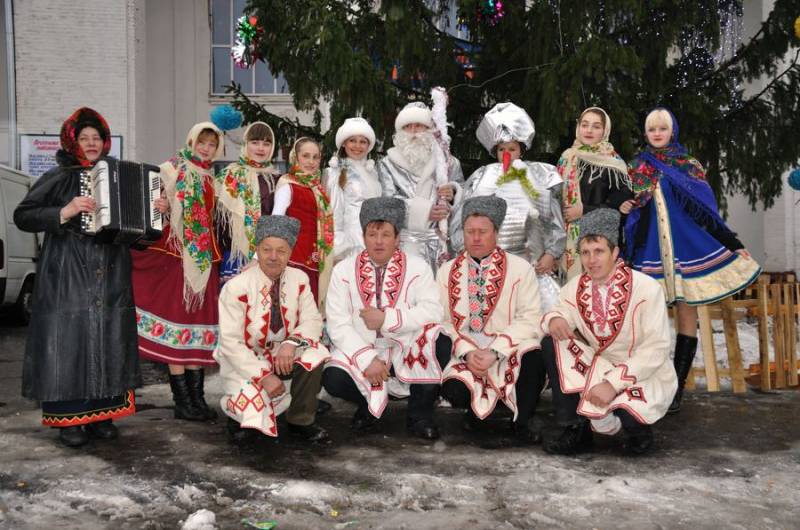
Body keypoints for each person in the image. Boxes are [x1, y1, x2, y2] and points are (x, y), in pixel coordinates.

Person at [14, 107, 140, 447]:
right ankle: (69, 420)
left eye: (96, 138)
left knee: (109, 340)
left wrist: (155, 214)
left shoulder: (119, 176)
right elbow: (23, 215)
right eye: (84, 138)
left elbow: (137, 233)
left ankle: (103, 415)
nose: (91, 143)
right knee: (68, 344)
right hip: (67, 273)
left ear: (105, 142)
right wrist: (65, 211)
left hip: (111, 274)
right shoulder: (59, 176)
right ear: (73, 142)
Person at [621, 108, 761, 413]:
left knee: (687, 314)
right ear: (645, 134)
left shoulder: (689, 166)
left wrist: (734, 245)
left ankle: (677, 388)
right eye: (652, 129)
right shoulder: (636, 167)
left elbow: (707, 214)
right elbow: (626, 210)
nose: (657, 133)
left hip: (686, 250)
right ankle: (649, 384)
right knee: (647, 319)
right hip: (649, 252)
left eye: (662, 128)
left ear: (673, 131)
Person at [540, 208, 677, 455]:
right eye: (585, 252)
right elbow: (558, 311)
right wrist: (555, 319)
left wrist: (613, 384)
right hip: (600, 366)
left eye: (599, 251)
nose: (591, 260)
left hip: (642, 371)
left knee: (629, 415)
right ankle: (575, 428)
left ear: (615, 253)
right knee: (553, 342)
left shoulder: (646, 288)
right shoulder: (575, 287)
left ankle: (637, 432)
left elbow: (656, 348)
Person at [323, 197, 447, 440]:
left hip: (405, 346)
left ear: (397, 238)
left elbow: (433, 311)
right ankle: (368, 407)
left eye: (386, 234)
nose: (378, 241)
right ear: (363, 236)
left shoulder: (418, 267)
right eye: (372, 234)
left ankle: (419, 415)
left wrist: (387, 319)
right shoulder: (343, 270)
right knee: (332, 378)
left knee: (439, 341)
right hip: (362, 347)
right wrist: (367, 359)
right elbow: (338, 323)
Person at [131, 121, 224, 422]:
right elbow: (149, 205)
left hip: (202, 260)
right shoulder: (171, 169)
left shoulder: (211, 178)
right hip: (174, 259)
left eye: (212, 144)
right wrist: (160, 205)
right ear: (191, 141)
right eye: (202, 142)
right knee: (177, 326)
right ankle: (183, 401)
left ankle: (197, 399)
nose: (206, 148)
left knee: (196, 329)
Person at [438, 196, 546, 445]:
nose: (476, 238)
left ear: (496, 233)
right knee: (441, 357)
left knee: (534, 354)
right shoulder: (447, 271)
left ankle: (523, 420)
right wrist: (466, 351)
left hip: (508, 348)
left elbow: (530, 317)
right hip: (466, 350)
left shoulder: (521, 269)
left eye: (483, 232)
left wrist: (496, 351)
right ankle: (475, 414)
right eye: (470, 232)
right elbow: (442, 321)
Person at [215, 215, 331, 444]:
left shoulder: (299, 279)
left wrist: (291, 343)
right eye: (267, 249)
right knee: (251, 422)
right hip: (247, 360)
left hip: (283, 354)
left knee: (315, 354)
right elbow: (230, 342)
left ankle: (300, 419)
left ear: (290, 253)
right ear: (257, 250)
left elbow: (312, 320)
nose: (273, 257)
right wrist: (264, 376)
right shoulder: (236, 287)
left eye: (281, 251)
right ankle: (239, 417)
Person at [450, 102, 565, 311]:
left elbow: (553, 220)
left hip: (532, 267)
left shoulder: (539, 176)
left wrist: (551, 254)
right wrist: (464, 250)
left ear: (521, 150)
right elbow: (460, 218)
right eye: (502, 149)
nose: (507, 154)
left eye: (512, 149)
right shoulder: (481, 177)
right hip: (485, 266)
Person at [377, 102, 464, 272]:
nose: (414, 131)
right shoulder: (387, 163)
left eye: (419, 125)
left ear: (429, 129)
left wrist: (454, 193)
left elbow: (464, 197)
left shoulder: (447, 162)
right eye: (408, 126)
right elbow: (387, 203)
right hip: (403, 244)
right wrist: (424, 211)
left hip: (441, 245)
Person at [557, 107, 632, 279]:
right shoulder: (566, 157)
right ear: (578, 127)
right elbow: (554, 198)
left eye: (596, 126)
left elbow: (620, 208)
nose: (589, 130)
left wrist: (584, 210)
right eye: (585, 125)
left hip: (599, 243)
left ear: (605, 130)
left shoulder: (614, 164)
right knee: (571, 290)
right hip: (565, 242)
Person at [272, 137, 334, 306]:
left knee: (310, 311)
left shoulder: (318, 189)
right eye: (306, 156)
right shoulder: (288, 185)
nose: (311, 162)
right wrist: (259, 258)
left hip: (315, 261)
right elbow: (276, 222)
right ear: (295, 157)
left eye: (315, 157)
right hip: (294, 261)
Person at [215, 121, 279, 284]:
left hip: (266, 257)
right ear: (245, 144)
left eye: (266, 144)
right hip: (233, 255)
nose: (260, 148)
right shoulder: (228, 175)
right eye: (255, 142)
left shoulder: (276, 180)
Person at [324, 117, 382, 263]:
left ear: (368, 145)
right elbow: (333, 213)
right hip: (351, 243)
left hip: (375, 239)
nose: (357, 146)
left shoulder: (373, 172)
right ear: (344, 143)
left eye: (363, 141)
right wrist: (339, 246)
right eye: (352, 140)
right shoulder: (335, 172)